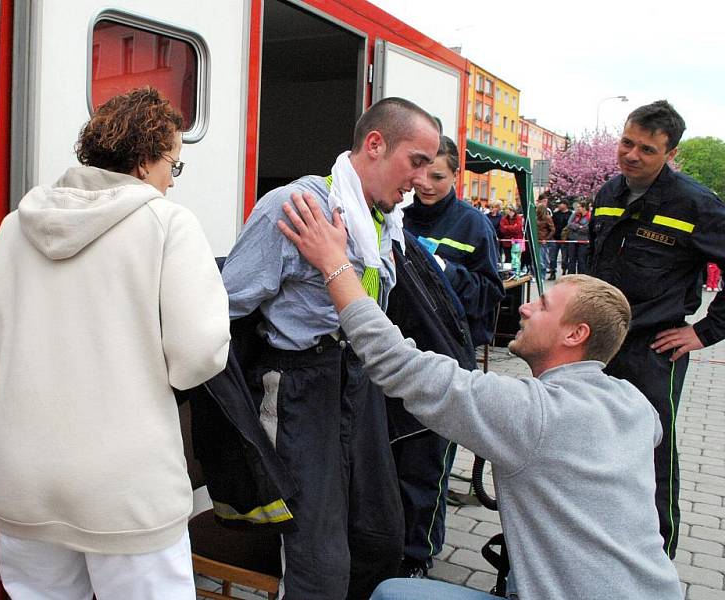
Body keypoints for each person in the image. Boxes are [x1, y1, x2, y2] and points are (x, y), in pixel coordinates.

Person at [275, 192, 682, 600]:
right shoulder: (637, 407)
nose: (523, 309)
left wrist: (333, 263)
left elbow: (397, 365)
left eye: (542, 306)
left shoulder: (533, 412)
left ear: (575, 335)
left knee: (392, 594)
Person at [0, 88, 231, 599]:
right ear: (143, 162)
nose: (170, 181)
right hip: (128, 499)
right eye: (172, 165)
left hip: (25, 490)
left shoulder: (16, 228)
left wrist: (6, 436)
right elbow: (198, 355)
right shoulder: (167, 224)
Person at [221, 97, 440, 599]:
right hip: (300, 388)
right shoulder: (295, 207)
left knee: (381, 538)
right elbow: (226, 307)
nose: (422, 180)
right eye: (417, 161)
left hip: (356, 382)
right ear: (375, 144)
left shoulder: (383, 219)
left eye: (430, 166)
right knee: (320, 562)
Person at [588, 99, 725, 559]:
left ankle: (657, 559)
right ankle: (600, 542)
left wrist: (703, 332)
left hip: (655, 350)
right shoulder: (608, 194)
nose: (631, 155)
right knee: (593, 443)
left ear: (670, 154)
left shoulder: (697, 204)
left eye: (646, 149)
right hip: (598, 345)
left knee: (653, 451)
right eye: (627, 142)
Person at [394, 135, 504, 577]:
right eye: (419, 172)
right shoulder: (394, 214)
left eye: (437, 176)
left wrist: (445, 272)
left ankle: (419, 556)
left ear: (455, 175)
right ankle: (387, 543)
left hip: (443, 363)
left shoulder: (473, 226)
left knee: (425, 467)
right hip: (393, 357)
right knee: (387, 462)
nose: (425, 184)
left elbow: (490, 297)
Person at [564, 201, 589, 274]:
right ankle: (571, 275)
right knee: (571, 259)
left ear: (584, 208)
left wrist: (576, 227)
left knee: (581, 260)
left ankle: (581, 276)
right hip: (572, 240)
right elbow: (569, 224)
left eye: (579, 207)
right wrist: (579, 226)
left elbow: (586, 229)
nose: (577, 208)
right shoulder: (574, 215)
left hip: (583, 242)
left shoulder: (589, 216)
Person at [548, 199, 571, 279]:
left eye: (560, 204)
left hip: (565, 239)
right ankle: (552, 272)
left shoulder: (570, 214)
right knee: (552, 257)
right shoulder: (556, 214)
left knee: (565, 257)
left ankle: (564, 271)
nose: (558, 205)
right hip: (555, 238)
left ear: (565, 204)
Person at [535, 204, 555, 277]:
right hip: (536, 240)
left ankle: (542, 275)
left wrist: (546, 239)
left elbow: (552, 230)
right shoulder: (536, 218)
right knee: (537, 258)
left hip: (543, 241)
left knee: (542, 259)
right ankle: (537, 275)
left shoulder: (547, 218)